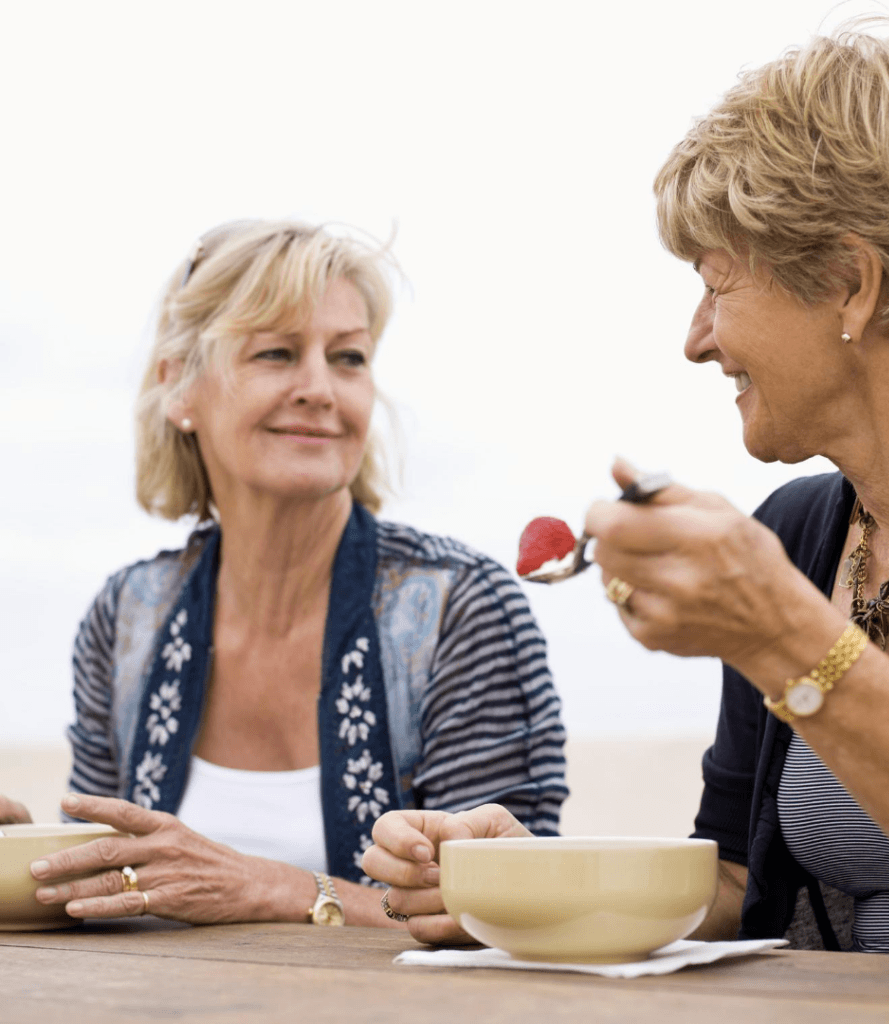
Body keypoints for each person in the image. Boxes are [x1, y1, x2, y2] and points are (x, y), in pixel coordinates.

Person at [362, 21, 889, 957]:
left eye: (718, 285)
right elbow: (738, 884)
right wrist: (524, 883)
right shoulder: (797, 534)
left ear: (850, 283)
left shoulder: (781, 587)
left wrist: (785, 634)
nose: (696, 339)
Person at [7, 220, 567, 927]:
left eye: (349, 358)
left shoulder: (457, 608)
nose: (319, 388)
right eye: (276, 352)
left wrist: (274, 888)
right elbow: (117, 893)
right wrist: (32, 861)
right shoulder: (125, 618)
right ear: (179, 386)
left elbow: (515, 913)